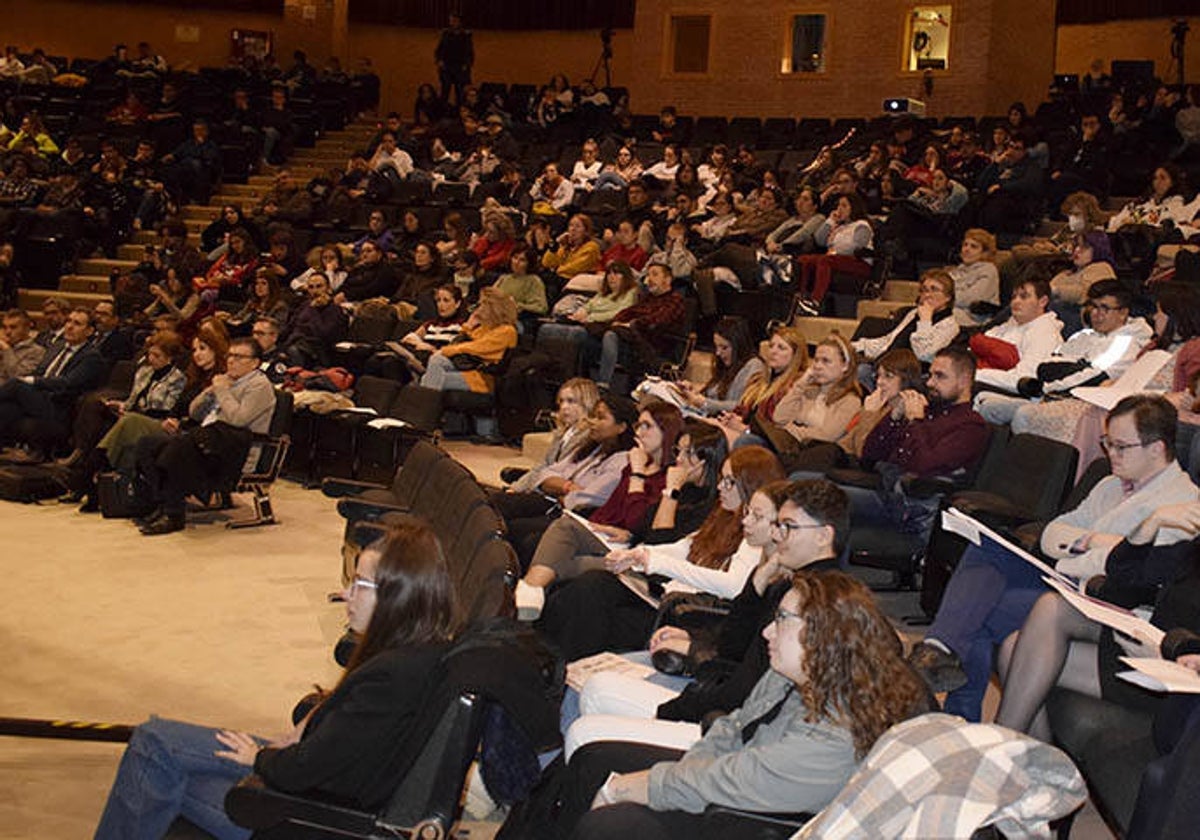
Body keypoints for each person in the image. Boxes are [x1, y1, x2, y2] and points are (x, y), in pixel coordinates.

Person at [93, 522, 459, 839]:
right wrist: (312, 721)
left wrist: (260, 758)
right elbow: (352, 734)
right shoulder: (420, 652)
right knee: (158, 746)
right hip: (318, 789)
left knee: (154, 749)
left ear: (397, 598)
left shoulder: (391, 678)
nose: (347, 593)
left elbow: (303, 770)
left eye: (360, 583)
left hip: (304, 815)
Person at [545, 571, 929, 840]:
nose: (767, 631)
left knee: (613, 825)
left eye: (782, 620)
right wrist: (689, 769)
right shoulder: (792, 672)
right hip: (737, 785)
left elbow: (739, 780)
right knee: (592, 759)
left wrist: (630, 789)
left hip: (761, 822)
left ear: (824, 634)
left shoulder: (838, 734)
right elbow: (732, 725)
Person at [909, 395, 1199, 721]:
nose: (1110, 455)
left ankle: (951, 692)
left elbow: (1131, 573)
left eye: (1120, 446)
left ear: (1157, 448)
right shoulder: (1110, 484)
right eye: (1107, 443)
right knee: (986, 548)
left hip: (1106, 603)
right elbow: (1051, 534)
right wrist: (1095, 543)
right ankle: (940, 654)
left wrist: (1088, 548)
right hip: (1068, 579)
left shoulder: (1183, 505)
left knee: (979, 608)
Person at [539, 446, 786, 661]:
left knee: (592, 589)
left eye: (730, 481)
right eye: (722, 478)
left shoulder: (756, 532)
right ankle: (543, 647)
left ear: (751, 486)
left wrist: (655, 561)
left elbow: (734, 586)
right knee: (587, 586)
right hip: (668, 594)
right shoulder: (724, 515)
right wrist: (641, 554)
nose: (721, 486)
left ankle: (550, 654)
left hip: (686, 613)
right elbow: (684, 547)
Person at [514, 402, 686, 619]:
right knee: (560, 535)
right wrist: (593, 528)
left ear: (666, 431)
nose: (639, 432)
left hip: (633, 551)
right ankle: (529, 601)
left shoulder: (668, 476)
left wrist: (638, 475)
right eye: (638, 425)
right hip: (609, 536)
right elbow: (611, 508)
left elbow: (637, 521)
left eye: (647, 426)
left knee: (557, 554)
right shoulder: (637, 463)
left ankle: (526, 598)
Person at [840, 346, 990, 544]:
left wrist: (915, 422)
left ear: (963, 381)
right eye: (930, 375)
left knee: (818, 498)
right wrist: (894, 418)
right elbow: (869, 457)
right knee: (807, 485)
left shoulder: (971, 425)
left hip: (912, 508)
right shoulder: (927, 411)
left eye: (940, 376)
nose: (929, 383)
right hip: (887, 491)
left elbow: (925, 467)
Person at [138, 337, 277, 535]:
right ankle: (163, 502)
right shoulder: (226, 380)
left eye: (239, 357)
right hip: (208, 441)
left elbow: (238, 419)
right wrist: (209, 392)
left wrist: (222, 390)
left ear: (255, 363)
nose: (231, 361)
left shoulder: (259, 385)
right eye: (230, 355)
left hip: (235, 449)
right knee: (148, 444)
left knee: (178, 448)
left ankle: (174, 514)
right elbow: (194, 413)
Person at [0, 309, 106, 462]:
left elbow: (67, 383)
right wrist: (33, 381)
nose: (69, 326)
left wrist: (33, 381)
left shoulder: (91, 357)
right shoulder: (57, 347)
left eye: (77, 323)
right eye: (68, 321)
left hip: (59, 409)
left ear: (89, 331)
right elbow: (39, 371)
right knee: (6, 408)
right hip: (39, 400)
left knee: (16, 384)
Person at [971, 276, 1065, 420]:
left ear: (1043, 301)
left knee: (957, 388)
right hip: (988, 377)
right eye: (1014, 297)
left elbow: (1024, 380)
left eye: (1024, 296)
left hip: (1020, 392)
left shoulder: (1045, 333)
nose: (1016, 301)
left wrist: (974, 374)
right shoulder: (1010, 324)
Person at [594, 262, 687, 392]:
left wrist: (631, 324)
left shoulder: (675, 300)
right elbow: (627, 312)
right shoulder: (648, 298)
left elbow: (659, 321)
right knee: (593, 335)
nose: (650, 280)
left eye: (655, 275)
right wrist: (620, 320)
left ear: (667, 279)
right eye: (648, 275)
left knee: (611, 334)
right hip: (637, 342)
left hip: (658, 346)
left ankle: (603, 384)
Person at [419, 287, 518, 397]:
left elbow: (477, 347)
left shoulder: (507, 330)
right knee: (437, 360)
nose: (477, 309)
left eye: (481, 305)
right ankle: (424, 407)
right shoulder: (486, 327)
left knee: (432, 378)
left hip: (484, 378)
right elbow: (459, 341)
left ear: (492, 308)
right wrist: (468, 326)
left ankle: (423, 408)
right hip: (469, 369)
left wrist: (445, 350)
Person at [852, 269, 960, 368]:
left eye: (934, 289)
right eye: (924, 290)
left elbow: (923, 354)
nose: (927, 295)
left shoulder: (950, 325)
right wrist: (857, 346)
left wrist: (925, 321)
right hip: (888, 364)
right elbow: (889, 341)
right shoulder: (913, 313)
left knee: (860, 371)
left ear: (948, 297)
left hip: (913, 373)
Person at [793, 192, 873, 315]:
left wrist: (834, 250)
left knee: (824, 261)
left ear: (854, 207)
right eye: (838, 206)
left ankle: (816, 301)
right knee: (804, 259)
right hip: (838, 260)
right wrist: (830, 221)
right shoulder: (839, 226)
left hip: (859, 263)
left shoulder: (862, 225)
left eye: (844, 206)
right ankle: (801, 297)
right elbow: (819, 240)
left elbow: (856, 247)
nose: (839, 209)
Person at [672, 317, 765, 416]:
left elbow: (741, 405)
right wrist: (693, 391)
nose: (718, 353)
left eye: (724, 347)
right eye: (716, 346)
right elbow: (714, 394)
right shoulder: (727, 364)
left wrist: (704, 403)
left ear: (739, 345)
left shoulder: (754, 366)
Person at [947, 228, 1001, 326]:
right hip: (954, 310)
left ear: (985, 253)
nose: (967, 249)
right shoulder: (959, 269)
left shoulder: (989, 270)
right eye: (965, 245)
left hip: (975, 319)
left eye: (974, 247)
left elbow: (971, 299)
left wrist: (944, 298)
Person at [0, 309, 45, 383]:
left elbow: (18, 377)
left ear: (26, 328)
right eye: (5, 327)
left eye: (13, 327)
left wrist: (6, 349)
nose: (8, 332)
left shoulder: (37, 351)